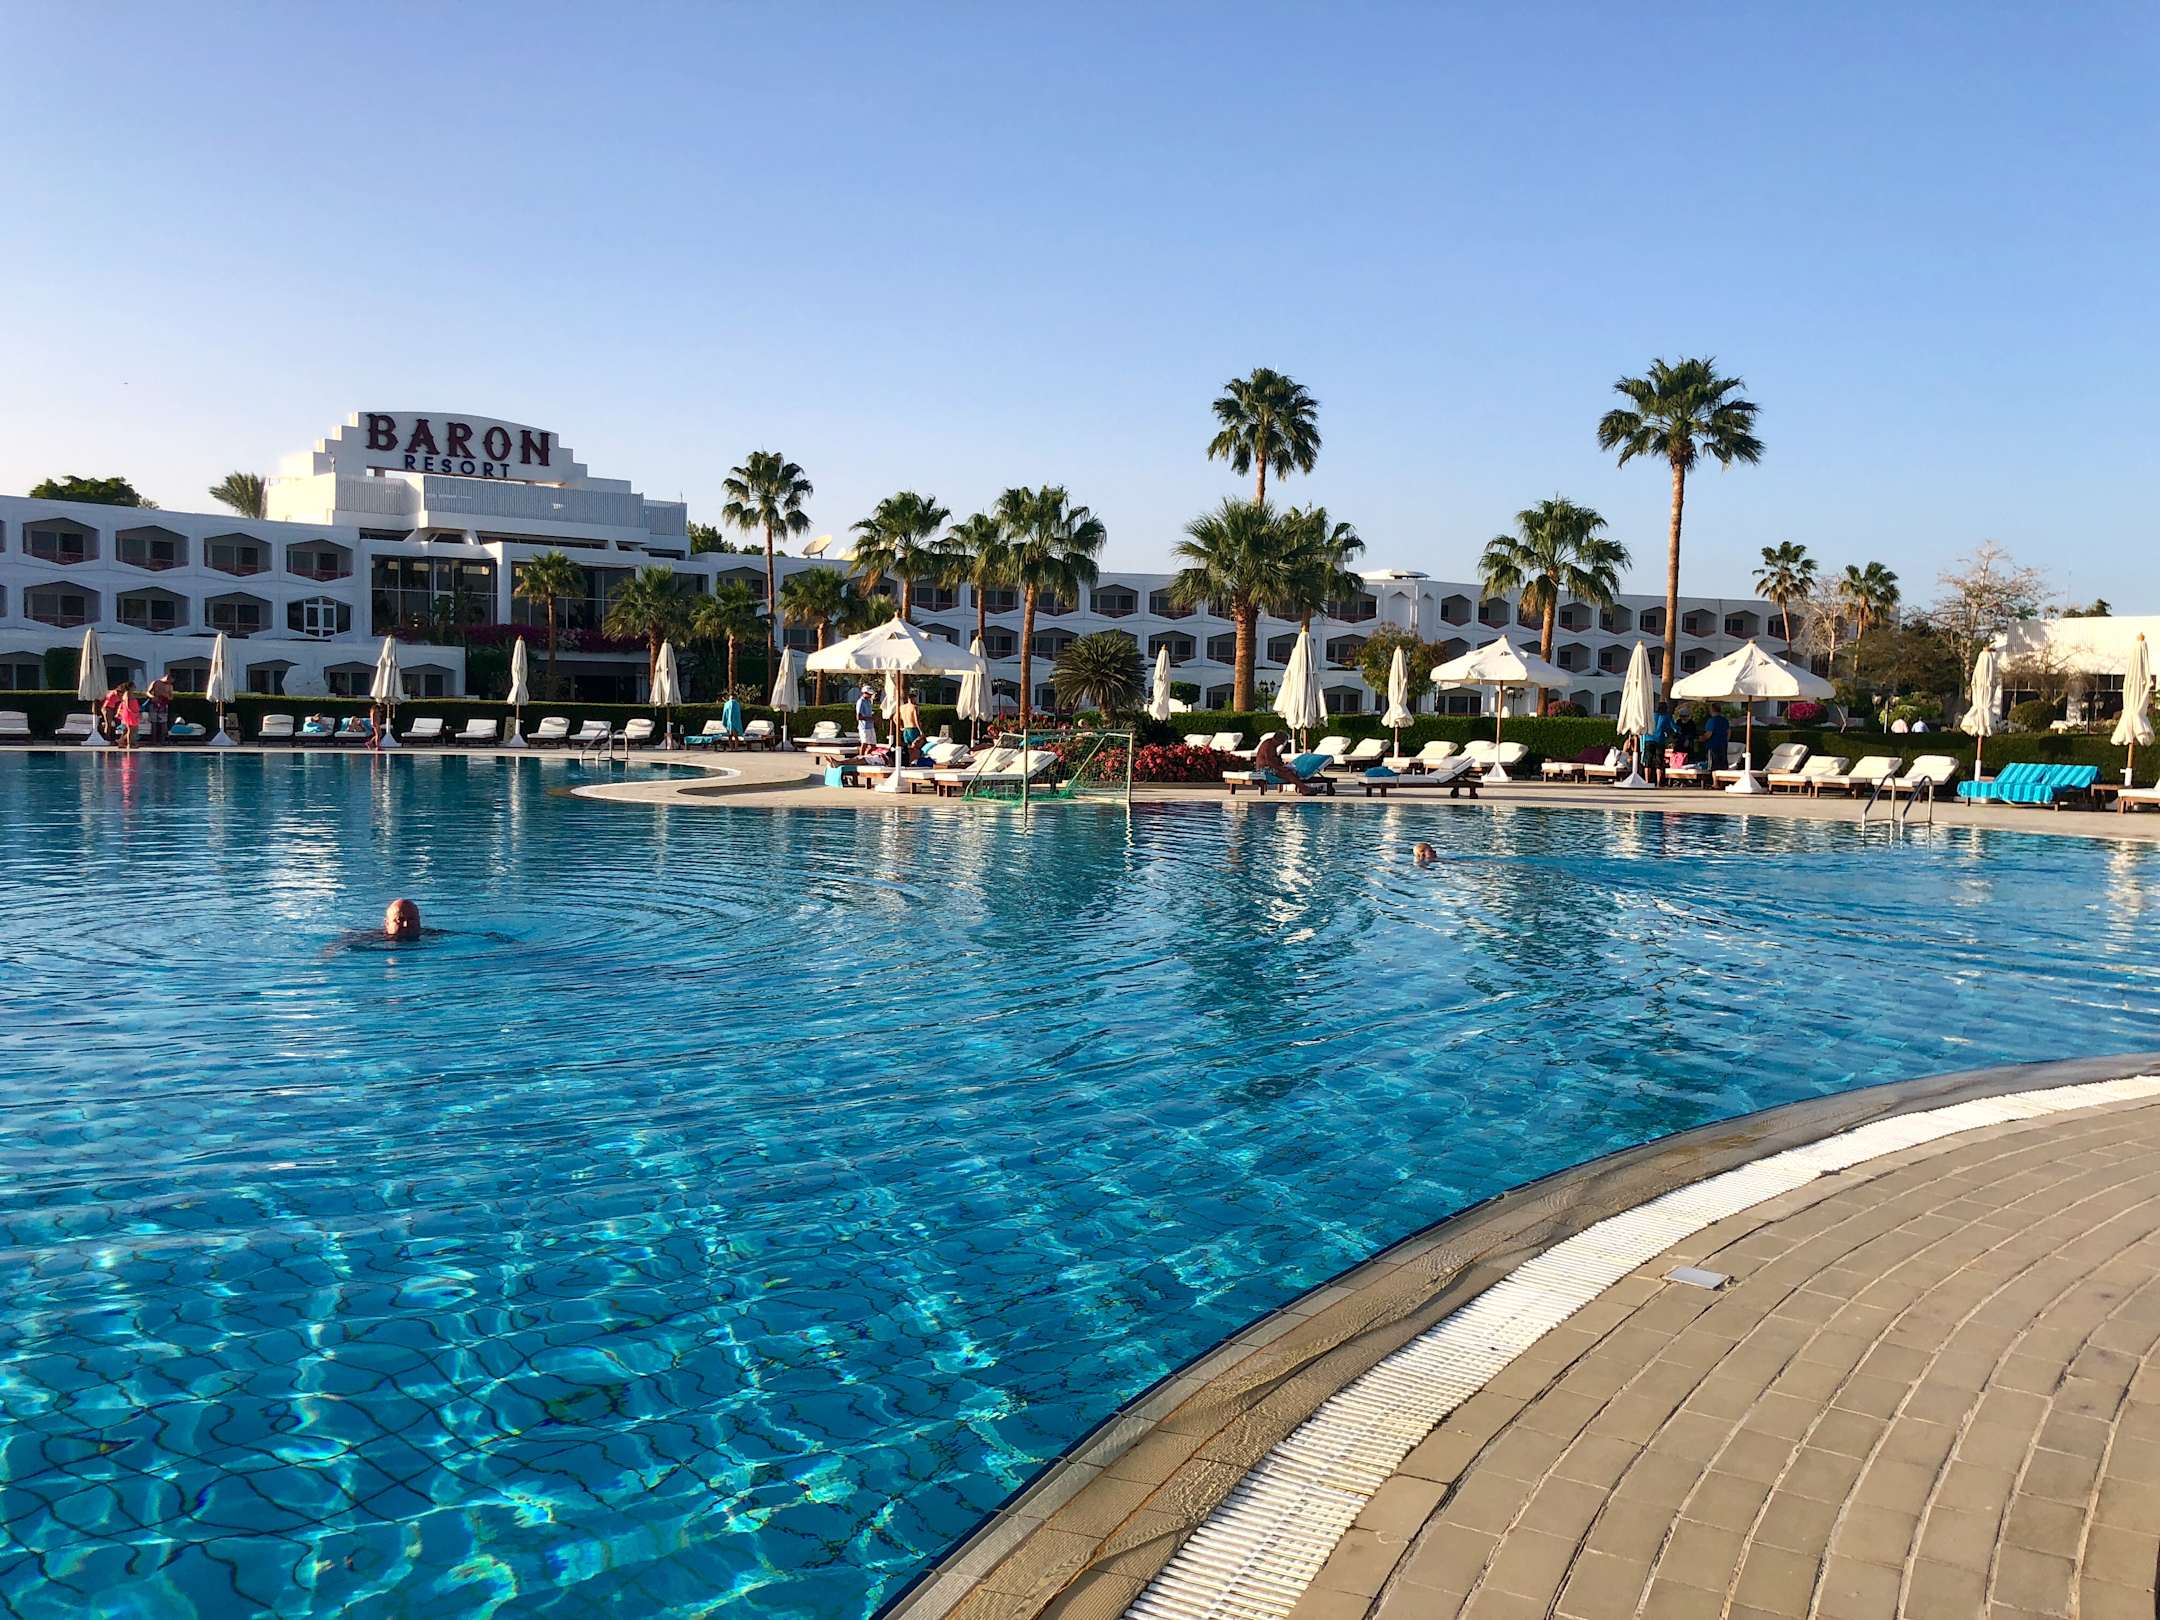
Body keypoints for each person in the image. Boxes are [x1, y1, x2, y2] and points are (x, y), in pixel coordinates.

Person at [145, 673, 174, 745]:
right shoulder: (156, 682)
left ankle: (162, 740)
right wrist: (152, 697)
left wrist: (167, 696)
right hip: (154, 704)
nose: (169, 682)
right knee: (154, 723)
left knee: (163, 723)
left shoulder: (170, 686)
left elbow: (171, 697)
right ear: (167, 677)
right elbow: (147, 692)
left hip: (163, 705)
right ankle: (153, 740)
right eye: (169, 680)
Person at [897, 690, 924, 761]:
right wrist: (921, 731)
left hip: (906, 730)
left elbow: (895, 718)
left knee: (908, 748)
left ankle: (908, 761)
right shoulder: (914, 707)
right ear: (913, 698)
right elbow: (916, 720)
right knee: (916, 748)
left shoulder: (902, 707)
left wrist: (900, 727)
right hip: (913, 729)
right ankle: (914, 761)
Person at [115, 681, 142, 750]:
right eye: (133, 686)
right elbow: (127, 705)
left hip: (134, 713)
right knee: (130, 729)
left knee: (133, 729)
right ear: (130, 687)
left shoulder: (131, 693)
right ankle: (129, 744)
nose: (135, 687)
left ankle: (122, 742)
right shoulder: (127, 694)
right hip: (130, 713)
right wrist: (132, 712)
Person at [1703, 707, 1731, 772]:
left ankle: (1712, 778)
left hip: (1713, 746)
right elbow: (1729, 732)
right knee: (1722, 766)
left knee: (1713, 766)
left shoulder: (1711, 721)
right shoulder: (1725, 720)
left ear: (1712, 710)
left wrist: (1702, 738)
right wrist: (1725, 741)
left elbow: (1709, 734)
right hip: (1723, 746)